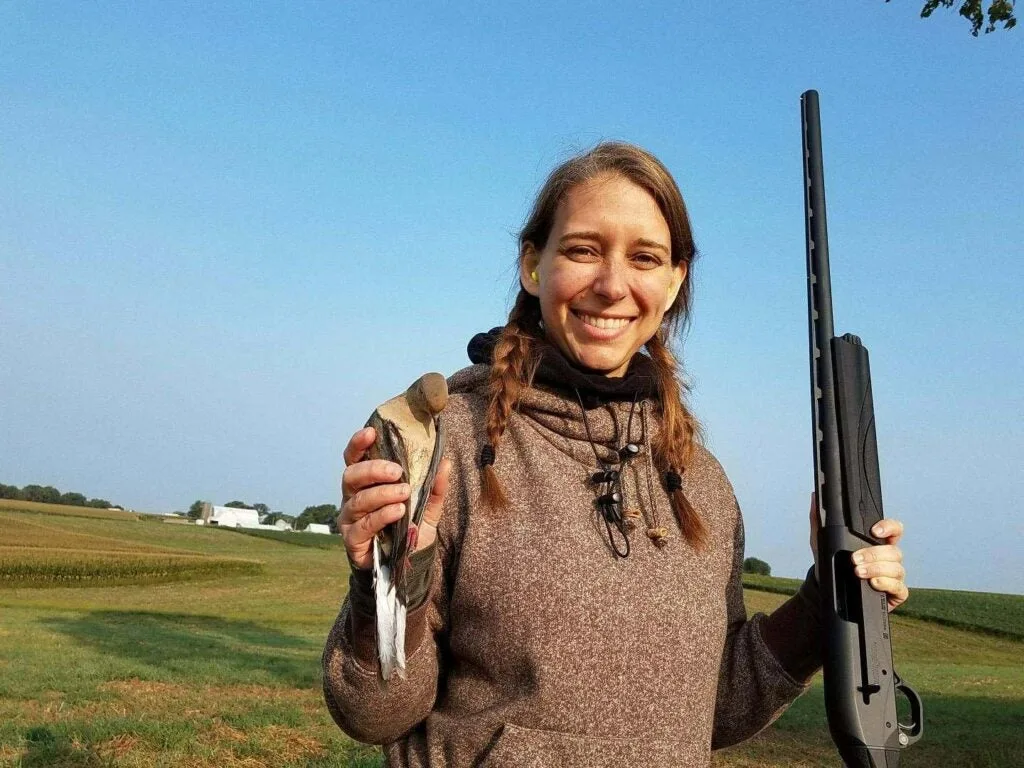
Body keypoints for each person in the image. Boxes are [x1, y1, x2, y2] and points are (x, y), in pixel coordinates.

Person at [322, 142, 909, 767]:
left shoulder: (699, 479)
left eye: (645, 258)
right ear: (531, 264)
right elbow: (374, 712)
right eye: (582, 250)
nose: (611, 285)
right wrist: (388, 588)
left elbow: (714, 710)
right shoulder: (453, 447)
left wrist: (830, 598)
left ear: (675, 280)